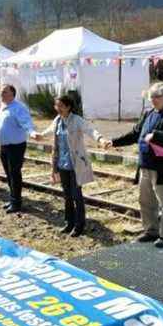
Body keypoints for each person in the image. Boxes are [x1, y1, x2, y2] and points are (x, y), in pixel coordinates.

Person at [106, 83, 163, 247]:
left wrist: (156, 136)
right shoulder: (149, 113)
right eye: (151, 97)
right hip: (146, 164)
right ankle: (151, 231)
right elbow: (135, 133)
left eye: (156, 97)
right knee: (146, 201)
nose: (153, 100)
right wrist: (114, 142)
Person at [36, 95, 108, 237]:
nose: (58, 109)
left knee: (76, 195)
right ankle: (69, 222)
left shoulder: (77, 120)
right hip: (62, 164)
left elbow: (90, 130)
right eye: (56, 106)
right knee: (67, 195)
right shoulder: (57, 120)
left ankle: (79, 225)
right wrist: (39, 135)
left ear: (68, 107)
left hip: (75, 164)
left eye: (61, 106)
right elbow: (48, 131)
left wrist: (101, 139)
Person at [0, 84, 36, 214]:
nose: (1, 94)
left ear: (12, 94)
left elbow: (26, 123)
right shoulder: (3, 107)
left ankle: (17, 203)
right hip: (4, 146)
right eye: (1, 92)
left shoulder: (19, 108)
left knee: (14, 174)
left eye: (4, 92)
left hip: (16, 146)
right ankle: (13, 198)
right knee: (9, 174)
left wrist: (32, 132)